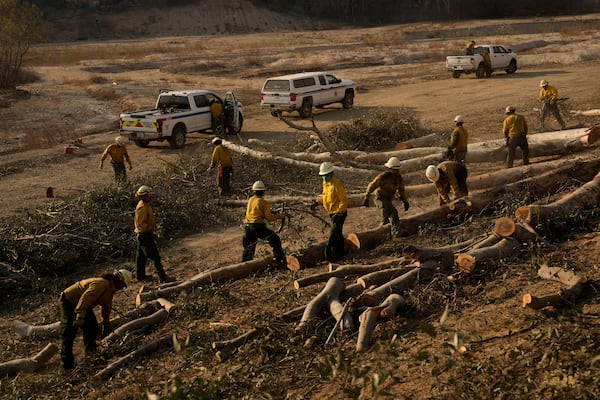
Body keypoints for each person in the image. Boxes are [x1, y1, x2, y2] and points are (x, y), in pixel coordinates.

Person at [59, 269, 132, 370]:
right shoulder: (102, 284)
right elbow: (86, 298)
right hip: (69, 301)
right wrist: (80, 317)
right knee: (68, 332)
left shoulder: (110, 289)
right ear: (119, 280)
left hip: (83, 305)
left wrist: (106, 324)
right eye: (122, 285)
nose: (121, 288)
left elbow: (107, 307)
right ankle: (66, 366)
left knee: (92, 327)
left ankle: (91, 355)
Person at [242, 180, 286, 267]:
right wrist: (280, 216)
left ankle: (245, 266)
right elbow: (269, 218)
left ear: (253, 191)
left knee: (249, 247)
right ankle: (280, 262)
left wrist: (271, 211)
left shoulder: (251, 199)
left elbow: (256, 210)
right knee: (275, 239)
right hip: (257, 227)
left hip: (248, 226)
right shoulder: (264, 202)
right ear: (263, 191)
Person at [310, 162, 348, 262]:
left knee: (333, 234)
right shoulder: (325, 184)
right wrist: (317, 203)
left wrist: (339, 213)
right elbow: (325, 198)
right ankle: (341, 254)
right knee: (338, 234)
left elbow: (344, 200)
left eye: (326, 175)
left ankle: (330, 257)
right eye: (323, 176)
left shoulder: (337, 184)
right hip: (332, 213)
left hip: (339, 214)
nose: (324, 177)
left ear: (331, 174)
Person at [363, 157, 410, 237]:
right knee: (393, 212)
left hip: (388, 199)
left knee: (386, 218)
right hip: (380, 198)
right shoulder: (383, 177)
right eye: (394, 169)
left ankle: (385, 234)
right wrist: (366, 198)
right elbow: (372, 186)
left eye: (397, 169)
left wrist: (405, 201)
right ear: (390, 168)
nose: (396, 171)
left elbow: (401, 190)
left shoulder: (399, 178)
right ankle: (396, 234)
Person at [134, 185, 171, 282]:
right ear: (144, 196)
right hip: (144, 235)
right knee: (154, 256)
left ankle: (140, 276)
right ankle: (162, 277)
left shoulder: (145, 205)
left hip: (142, 235)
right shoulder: (142, 207)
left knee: (140, 257)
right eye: (149, 195)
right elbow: (140, 224)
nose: (151, 197)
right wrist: (150, 228)